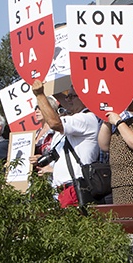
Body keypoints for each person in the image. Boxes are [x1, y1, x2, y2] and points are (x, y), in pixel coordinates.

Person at [33, 80, 101, 208]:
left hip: (75, 189)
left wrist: (40, 95)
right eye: (67, 96)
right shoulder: (77, 118)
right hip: (64, 190)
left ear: (84, 98)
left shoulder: (86, 118)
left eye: (71, 96)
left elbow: (54, 123)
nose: (67, 100)